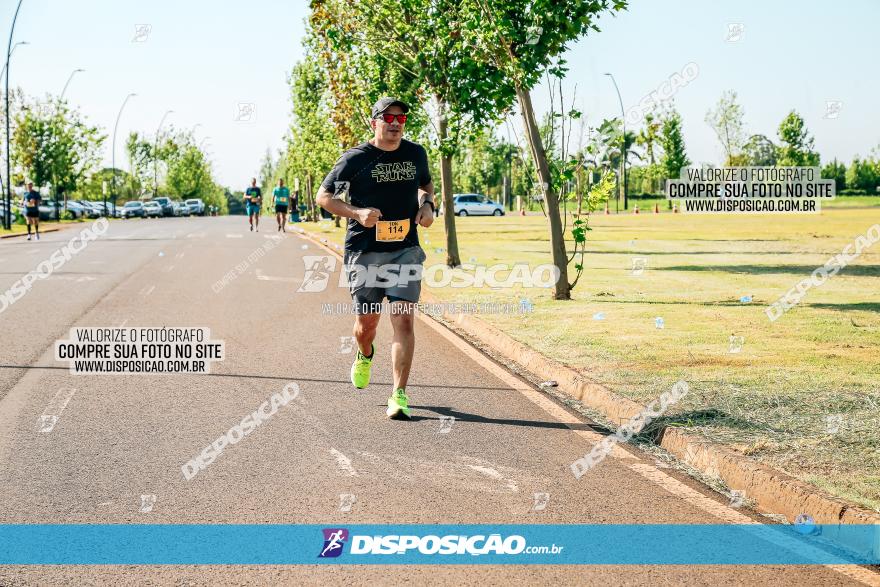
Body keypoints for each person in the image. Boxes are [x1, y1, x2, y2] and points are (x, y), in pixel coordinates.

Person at [316, 97, 435, 420]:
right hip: (365, 251)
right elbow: (324, 197)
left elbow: (425, 183)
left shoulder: (415, 154)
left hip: (405, 249)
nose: (395, 123)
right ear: (374, 122)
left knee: (403, 319)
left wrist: (427, 207)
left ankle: (399, 394)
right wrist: (356, 212)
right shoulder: (356, 159)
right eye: (388, 118)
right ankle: (365, 353)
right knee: (366, 325)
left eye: (401, 118)